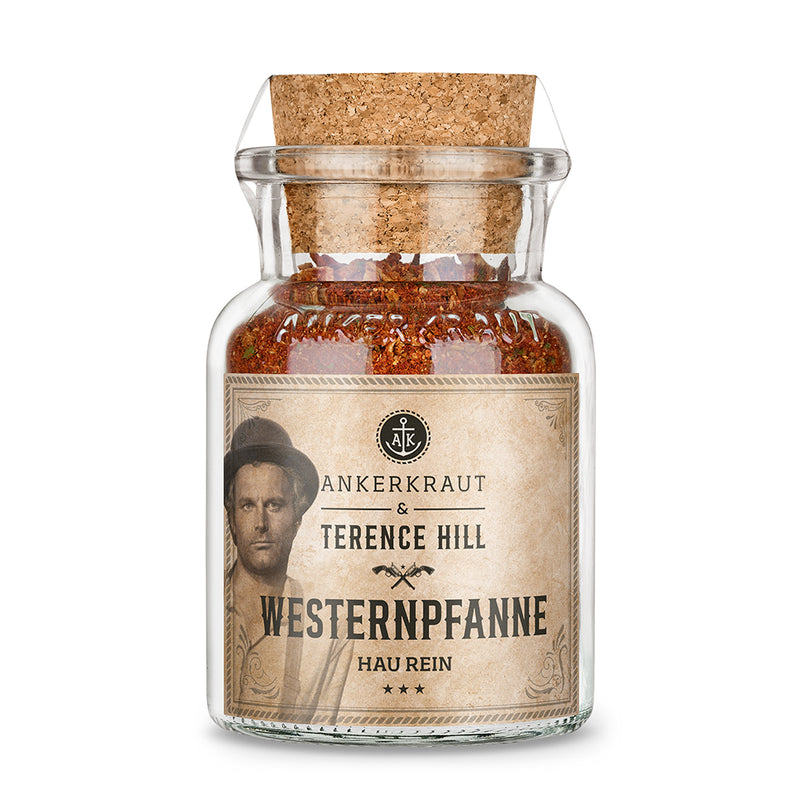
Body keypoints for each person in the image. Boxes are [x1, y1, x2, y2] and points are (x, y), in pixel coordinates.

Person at [224, 417, 352, 723]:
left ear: (297, 521)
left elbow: (321, 738)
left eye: (274, 505)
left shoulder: (330, 630)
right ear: (231, 520)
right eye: (247, 506)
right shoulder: (204, 608)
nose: (260, 524)